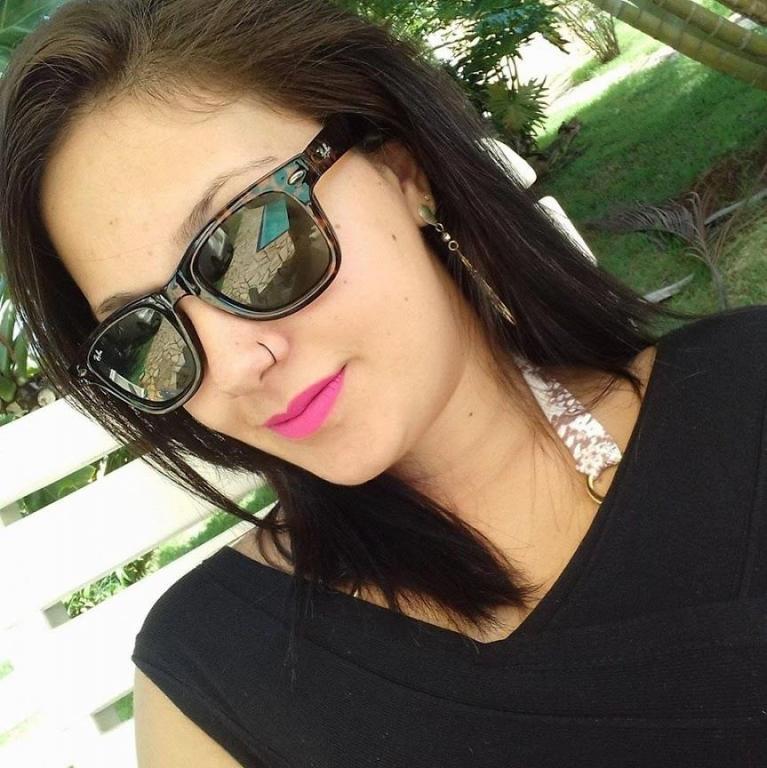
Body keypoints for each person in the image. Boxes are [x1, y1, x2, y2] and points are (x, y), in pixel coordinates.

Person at [1, 1, 765, 766]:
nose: (231, 367)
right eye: (144, 334)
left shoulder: (743, 390)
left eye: (252, 243)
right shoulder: (211, 683)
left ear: (404, 171)